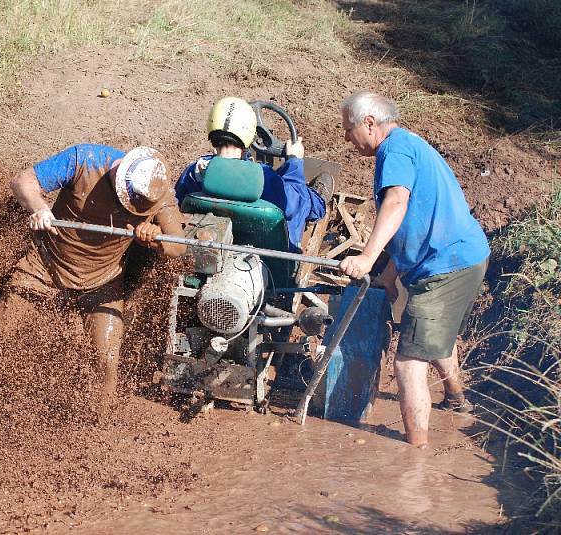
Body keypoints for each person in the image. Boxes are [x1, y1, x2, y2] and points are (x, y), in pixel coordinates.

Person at [338, 91, 490, 448]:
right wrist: (388, 276)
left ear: (370, 123)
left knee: (407, 362)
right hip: (457, 259)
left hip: (447, 264)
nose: (346, 138)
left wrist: (365, 258)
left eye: (348, 129)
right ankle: (457, 401)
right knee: (430, 335)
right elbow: (413, 224)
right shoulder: (407, 146)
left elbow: (397, 202)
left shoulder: (395, 149)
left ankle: (415, 457)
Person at [0, 144, 186, 400]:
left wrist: (155, 240)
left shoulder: (155, 190)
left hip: (102, 283)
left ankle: (100, 425)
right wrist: (39, 208)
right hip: (44, 268)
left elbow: (179, 245)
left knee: (106, 362)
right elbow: (22, 182)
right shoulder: (86, 160)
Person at [175, 97, 332, 252]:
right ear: (249, 133)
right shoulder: (262, 177)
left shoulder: (193, 173)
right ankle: (318, 201)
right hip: (265, 260)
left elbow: (176, 204)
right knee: (302, 201)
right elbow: (296, 206)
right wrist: (293, 162)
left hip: (210, 244)